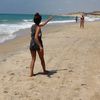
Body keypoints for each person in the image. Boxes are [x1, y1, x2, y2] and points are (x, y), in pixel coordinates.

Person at [29, 13, 53, 77]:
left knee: (33, 59)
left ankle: (31, 73)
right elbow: (36, 37)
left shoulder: (32, 26)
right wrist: (40, 46)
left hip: (32, 44)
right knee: (41, 58)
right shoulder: (38, 27)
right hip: (38, 44)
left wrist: (49, 20)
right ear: (39, 20)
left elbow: (43, 24)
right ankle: (44, 70)